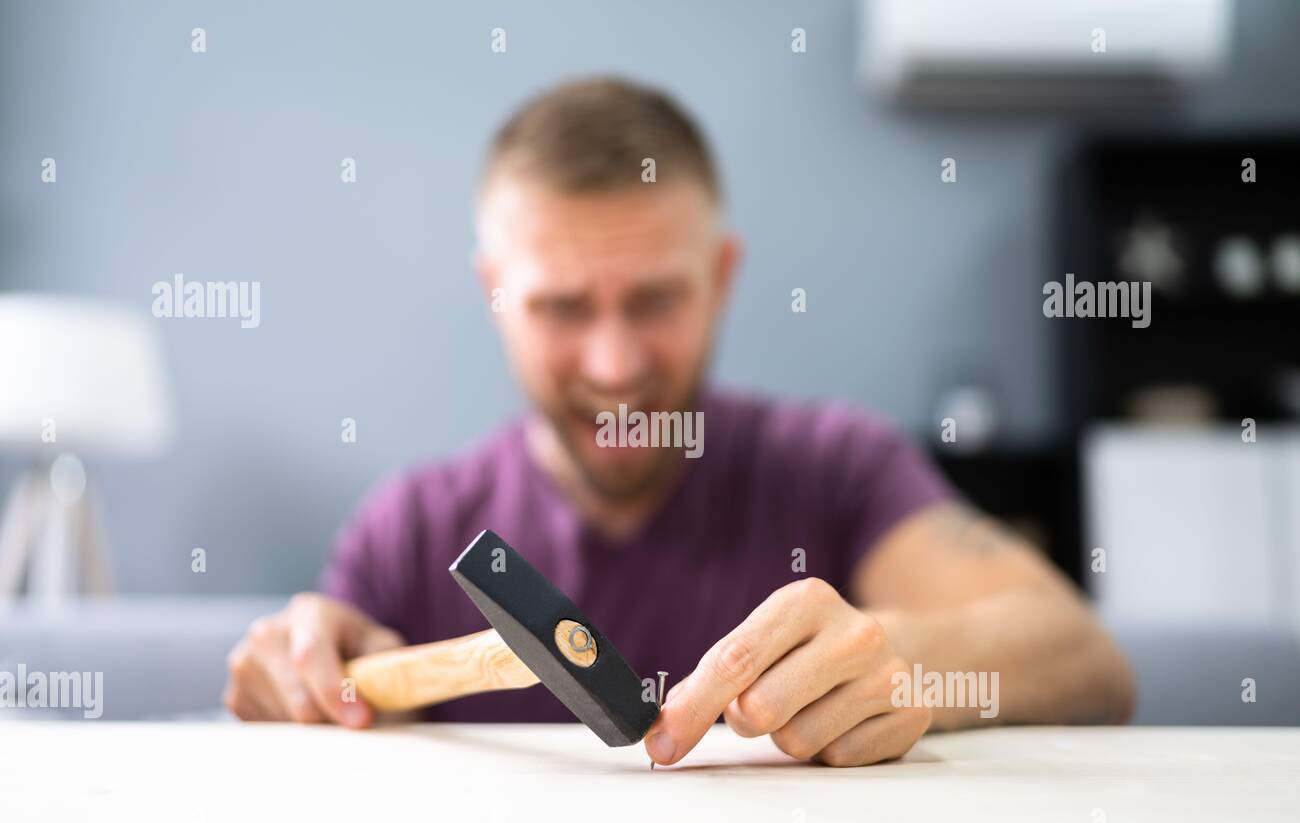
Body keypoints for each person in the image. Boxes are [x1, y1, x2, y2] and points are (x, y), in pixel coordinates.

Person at [223, 76, 1134, 768]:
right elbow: (323, 719)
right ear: (495, 294)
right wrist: (302, 679)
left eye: (655, 299)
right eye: (562, 308)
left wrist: (909, 657)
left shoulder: (834, 466)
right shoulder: (412, 525)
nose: (614, 364)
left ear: (722, 277)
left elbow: (1089, 660)